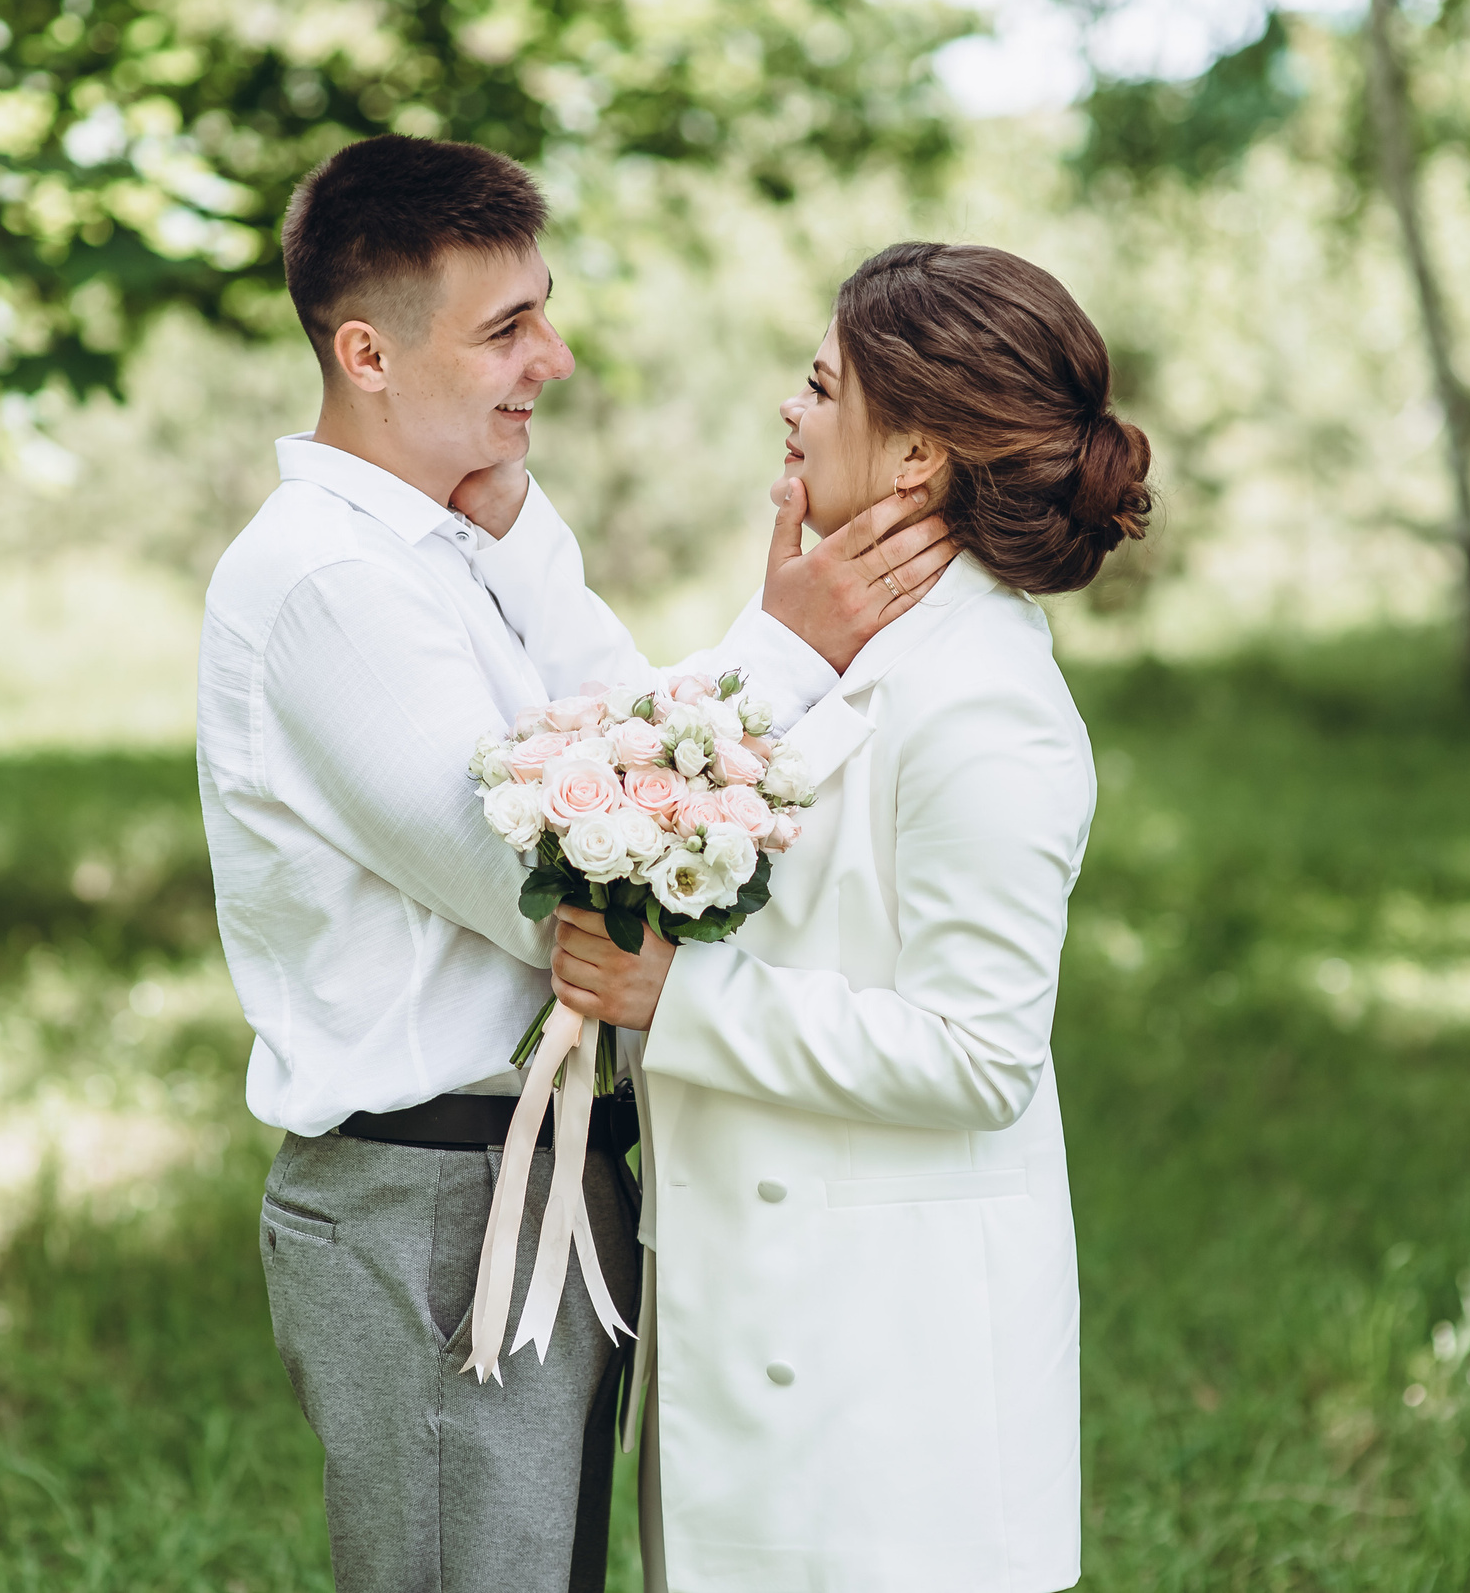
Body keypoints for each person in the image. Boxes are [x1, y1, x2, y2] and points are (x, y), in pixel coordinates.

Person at [193, 137, 955, 1593]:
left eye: (543, 309)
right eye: (505, 328)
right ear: (367, 353)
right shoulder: (328, 582)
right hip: (433, 1204)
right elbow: (565, 879)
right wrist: (789, 643)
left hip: (538, 1175)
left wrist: (527, 541)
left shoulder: (455, 541)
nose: (552, 355)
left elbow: (621, 727)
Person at [544, 241, 1152, 1593]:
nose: (791, 407)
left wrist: (677, 997)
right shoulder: (848, 644)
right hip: (763, 1326)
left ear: (919, 456)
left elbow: (981, 1056)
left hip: (889, 1392)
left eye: (823, 387)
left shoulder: (987, 703)